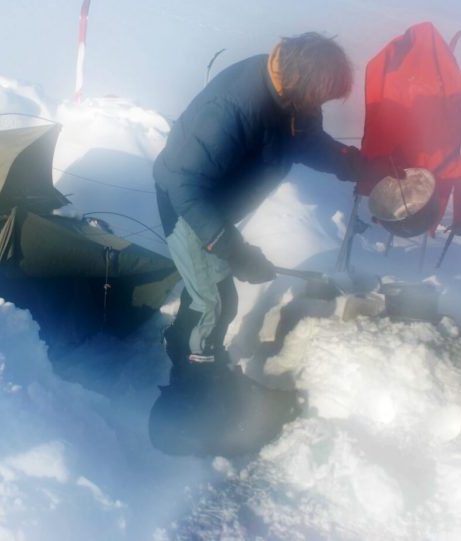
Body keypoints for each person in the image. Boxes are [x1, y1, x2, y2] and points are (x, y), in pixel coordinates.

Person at [153, 32, 388, 376]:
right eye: (319, 97)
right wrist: (235, 252)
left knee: (205, 287)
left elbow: (306, 141)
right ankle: (196, 377)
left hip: (215, 202)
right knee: (218, 302)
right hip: (188, 204)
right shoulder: (231, 107)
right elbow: (185, 185)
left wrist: (357, 165)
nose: (319, 105)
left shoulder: (294, 96)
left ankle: (178, 342)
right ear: (300, 82)